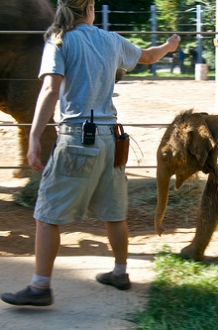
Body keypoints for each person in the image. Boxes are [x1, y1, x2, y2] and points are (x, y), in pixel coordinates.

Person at [1, 0, 180, 306]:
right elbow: (149, 57)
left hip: (76, 139)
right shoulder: (110, 39)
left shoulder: (58, 40)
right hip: (112, 139)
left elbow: (49, 91)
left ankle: (40, 287)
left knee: (46, 216)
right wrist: (170, 44)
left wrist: (34, 137)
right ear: (90, 8)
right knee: (114, 212)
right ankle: (120, 272)